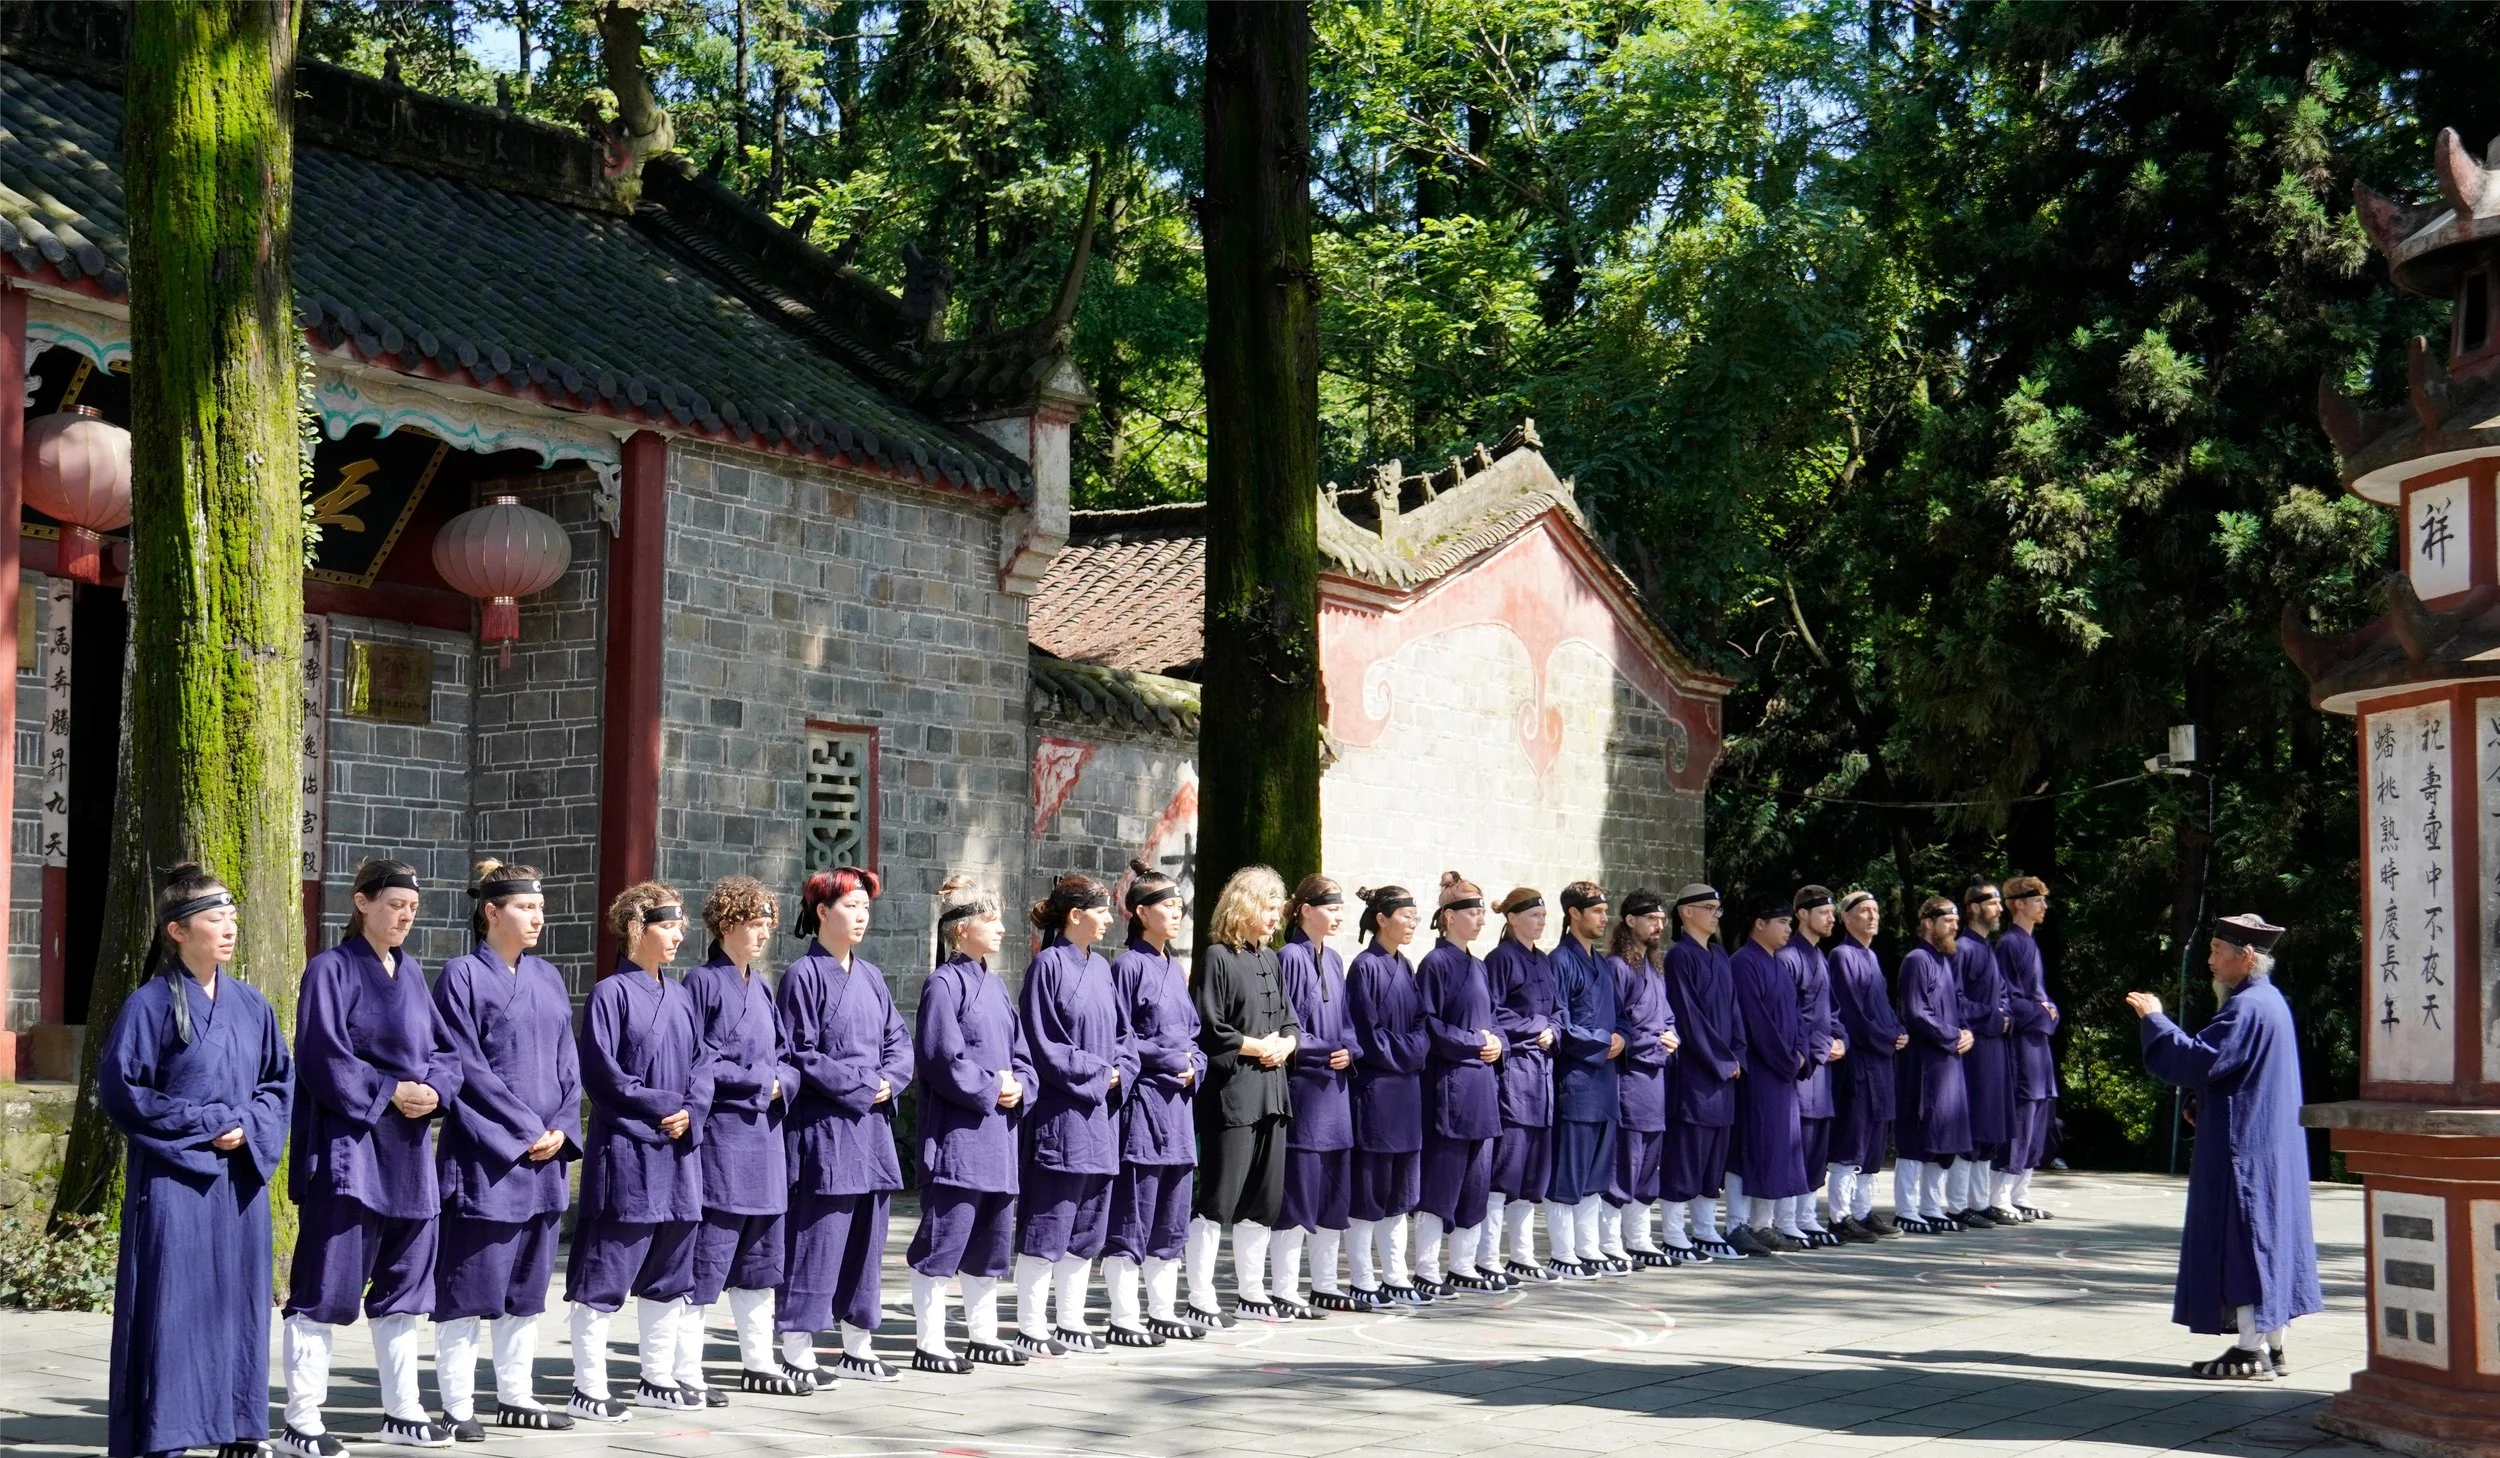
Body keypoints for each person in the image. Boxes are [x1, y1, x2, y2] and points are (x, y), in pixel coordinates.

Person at [101, 864, 293, 1458]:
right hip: (175, 1179)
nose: (230, 929)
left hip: (240, 1182)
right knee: (172, 1303)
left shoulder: (252, 1004)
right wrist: (209, 1125)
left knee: (239, 1304)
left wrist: (250, 1126)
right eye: (215, 919)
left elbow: (278, 1083)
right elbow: (124, 1092)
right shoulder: (150, 1003)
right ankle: (166, 1431)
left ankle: (239, 1426)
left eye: (232, 917)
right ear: (177, 932)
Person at [283, 860, 464, 1453]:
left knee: (406, 1285)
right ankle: (302, 1418)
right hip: (350, 1152)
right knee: (328, 1285)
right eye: (394, 904)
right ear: (361, 903)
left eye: (412, 907)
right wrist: (390, 1090)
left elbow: (445, 1050)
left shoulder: (412, 974)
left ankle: (401, 1408)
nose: (405, 915)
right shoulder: (329, 970)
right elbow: (320, 1056)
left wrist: (436, 1089)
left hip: (409, 1153)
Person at [2126, 914, 2323, 1380]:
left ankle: (2249, 1348)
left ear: (2247, 956)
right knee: (2270, 1238)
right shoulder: (2268, 1002)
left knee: (2245, 1239)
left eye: (2217, 950)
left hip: (2245, 1150)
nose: (2210, 960)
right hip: (2267, 1143)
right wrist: (2205, 1102)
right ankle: (2273, 1345)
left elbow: (2198, 1058)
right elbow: (2237, 1073)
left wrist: (2155, 1019)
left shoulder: (2247, 1007)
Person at [431, 861, 580, 1432]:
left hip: (545, 1156)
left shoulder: (547, 977)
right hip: (487, 1159)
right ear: (491, 912)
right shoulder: (461, 975)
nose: (538, 917)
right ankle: (457, 1404)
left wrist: (563, 1126)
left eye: (540, 907)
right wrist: (524, 1131)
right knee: (471, 1283)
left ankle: (516, 1394)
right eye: (525, 907)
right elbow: (464, 1065)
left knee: (527, 1287)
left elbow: (570, 1059)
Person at [567, 882, 713, 1417]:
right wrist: (663, 1106)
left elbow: (704, 1065)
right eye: (667, 926)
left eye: (679, 927)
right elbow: (605, 1075)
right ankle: (588, 1386)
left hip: (679, 1151)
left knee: (672, 1269)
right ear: (635, 928)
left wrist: (691, 1109)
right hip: (629, 1149)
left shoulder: (681, 996)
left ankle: (657, 1376)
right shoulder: (610, 994)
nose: (678, 936)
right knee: (607, 1270)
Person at [776, 866, 913, 1385]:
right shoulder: (802, 976)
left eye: (864, 907)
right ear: (821, 913)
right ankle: (797, 1344)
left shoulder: (873, 976)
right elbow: (799, 1054)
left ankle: (858, 1343)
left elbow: (900, 1042)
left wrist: (889, 1081)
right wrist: (861, 1084)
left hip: (871, 1128)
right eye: (850, 906)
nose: (861, 916)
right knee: (818, 1238)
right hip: (827, 1127)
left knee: (867, 1240)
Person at [907, 877, 1036, 1373]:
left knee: (990, 1242)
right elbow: (941, 1058)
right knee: (945, 1239)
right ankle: (931, 1340)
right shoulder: (943, 984)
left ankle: (982, 1334)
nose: (1002, 928)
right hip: (959, 1138)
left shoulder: (997, 986)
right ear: (960, 930)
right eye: (991, 919)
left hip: (1000, 1137)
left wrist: (1022, 1085)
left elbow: (1023, 1055)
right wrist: (990, 1087)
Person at [681, 878, 803, 1399]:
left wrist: (784, 1082)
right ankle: (684, 1366)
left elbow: (786, 1055)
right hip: (725, 1140)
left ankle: (758, 1360)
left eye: (766, 925)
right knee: (709, 1256)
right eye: (753, 924)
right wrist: (760, 1082)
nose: (761, 935)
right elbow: (699, 1062)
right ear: (725, 925)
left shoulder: (763, 986)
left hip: (766, 1138)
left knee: (762, 1258)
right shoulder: (701, 983)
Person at [1015, 874, 1136, 1353]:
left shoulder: (1103, 970)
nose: (1109, 919)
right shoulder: (1046, 967)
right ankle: (1031, 1324)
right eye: (1102, 910)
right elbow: (1043, 1044)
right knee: (1050, 1218)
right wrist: (1096, 1071)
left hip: (1102, 1117)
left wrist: (1120, 1071)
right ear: (1075, 915)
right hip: (1062, 1116)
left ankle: (1071, 1319)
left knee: (1088, 1223)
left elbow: (1127, 1038)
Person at [1189, 865, 1302, 1322]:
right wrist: (1256, 1046)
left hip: (1273, 1094)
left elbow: (1291, 1019)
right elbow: (1209, 1026)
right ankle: (1200, 1297)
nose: (1277, 918)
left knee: (1264, 1197)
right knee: (1219, 1198)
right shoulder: (1217, 956)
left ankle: (1251, 1291)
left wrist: (1287, 1043)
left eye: (1279, 910)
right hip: (1233, 1095)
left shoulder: (1271, 959)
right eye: (1271, 908)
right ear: (1247, 907)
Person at [1102, 861, 1207, 1344]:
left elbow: (1195, 1035)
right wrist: (1168, 1060)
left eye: (1181, 906)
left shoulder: (1175, 967)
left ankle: (1162, 1309)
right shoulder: (1127, 967)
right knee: (1136, 1209)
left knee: (1172, 1212)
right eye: (1168, 905)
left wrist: (1195, 1064)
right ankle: (1125, 1315)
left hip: (1180, 1108)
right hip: (1145, 1104)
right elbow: (1121, 1039)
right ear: (1141, 912)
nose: (1178, 913)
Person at [1414, 873, 1506, 1294]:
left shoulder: (1480, 966)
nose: (1480, 919)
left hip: (1483, 1090)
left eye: (1482, 911)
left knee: (1476, 1181)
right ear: (1448, 917)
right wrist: (1474, 1043)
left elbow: (1495, 1021)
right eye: (1472, 911)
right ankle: (1427, 1267)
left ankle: (1464, 1263)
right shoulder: (1435, 964)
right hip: (1451, 1088)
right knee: (1442, 1180)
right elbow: (1430, 1025)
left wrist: (1498, 1044)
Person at [1275, 875, 1358, 1312]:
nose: (1339, 915)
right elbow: (1287, 1026)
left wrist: (1351, 1048)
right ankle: (1285, 1287)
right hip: (1306, 1091)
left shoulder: (1337, 959)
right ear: (1305, 910)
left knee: (1332, 1193)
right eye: (1331, 907)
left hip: (1337, 1093)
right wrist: (1325, 1051)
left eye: (1341, 907)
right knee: (1298, 1194)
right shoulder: (1289, 956)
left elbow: (1346, 1020)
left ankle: (1325, 1282)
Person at [1345, 883, 1429, 1305]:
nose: (1413, 923)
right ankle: (1363, 1278)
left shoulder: (1407, 966)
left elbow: (1420, 1025)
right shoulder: (1364, 967)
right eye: (1406, 916)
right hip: (1377, 1091)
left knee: (1400, 1191)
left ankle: (1396, 1275)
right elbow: (1366, 1033)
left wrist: (1413, 1052)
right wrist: (1406, 1054)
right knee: (1371, 1189)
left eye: (1416, 916)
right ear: (1382, 919)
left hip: (1407, 1091)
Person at [1661, 885, 1742, 1262]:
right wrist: (1721, 1060)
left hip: (1726, 1074)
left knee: (1714, 1157)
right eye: (1708, 908)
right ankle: (1675, 1233)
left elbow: (1734, 1009)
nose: (1715, 915)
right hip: (1696, 1073)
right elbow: (1689, 1018)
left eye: (1718, 909)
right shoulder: (1680, 957)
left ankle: (1707, 1229)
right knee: (1688, 1154)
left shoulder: (1720, 954)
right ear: (1686, 913)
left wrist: (1738, 1054)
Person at [1545, 882, 1621, 1279]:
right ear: (1574, 914)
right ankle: (1562, 1250)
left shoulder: (1603, 962)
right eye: (1596, 911)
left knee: (1596, 1173)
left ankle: (1588, 1246)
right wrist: (1601, 1041)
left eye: (1605, 911)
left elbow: (1618, 1015)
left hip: (1605, 1081)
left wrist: (1621, 1036)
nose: (1604, 918)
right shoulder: (1560, 960)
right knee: (1569, 1171)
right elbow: (1561, 1021)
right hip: (1575, 1080)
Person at [1483, 888, 1559, 1282]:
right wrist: (1537, 1028)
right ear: (1511, 918)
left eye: (1544, 915)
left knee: (1533, 1176)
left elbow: (1558, 1013)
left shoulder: (1543, 961)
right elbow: (1493, 1014)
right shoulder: (1499, 960)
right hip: (1515, 1077)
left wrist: (1554, 1032)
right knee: (1504, 1172)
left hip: (1543, 1076)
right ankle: (1488, 1257)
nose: (1541, 921)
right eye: (1533, 915)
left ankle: (1523, 1255)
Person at [1726, 896, 1810, 1257]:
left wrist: (1802, 1053)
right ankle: (1737, 1224)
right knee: (1751, 1147)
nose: (1788, 928)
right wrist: (1785, 1058)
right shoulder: (1744, 963)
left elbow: (1797, 1015)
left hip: (1783, 1073)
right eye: (1782, 922)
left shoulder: (1780, 965)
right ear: (1759, 924)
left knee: (1777, 1149)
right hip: (1760, 1072)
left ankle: (1764, 1224)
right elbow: (1755, 1021)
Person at [1600, 889, 1678, 1269]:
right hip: (1629, 1078)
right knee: (1625, 1161)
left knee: (1649, 1161)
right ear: (1631, 921)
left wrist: (1671, 1035)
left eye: (1662, 920)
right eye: (1651, 919)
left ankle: (1640, 1237)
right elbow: (1617, 1026)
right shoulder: (1617, 967)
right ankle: (1612, 1239)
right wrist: (1652, 1041)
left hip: (1655, 1080)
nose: (1659, 925)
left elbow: (1667, 1017)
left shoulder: (1653, 966)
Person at [1825, 890, 1904, 1241]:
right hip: (1859, 1061)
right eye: (1863, 911)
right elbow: (1853, 1014)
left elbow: (1883, 1007)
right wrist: (1887, 1038)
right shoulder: (1842, 956)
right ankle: (1840, 1216)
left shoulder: (1871, 957)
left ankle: (1863, 1211)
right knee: (1852, 1140)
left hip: (1881, 1062)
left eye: (1875, 910)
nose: (1872, 917)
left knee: (1874, 1141)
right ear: (1846, 918)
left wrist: (1899, 1030)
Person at [1893, 896, 1974, 1234]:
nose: (1955, 926)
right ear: (1928, 921)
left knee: (1943, 1137)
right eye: (1948, 919)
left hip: (1947, 1062)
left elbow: (1954, 1005)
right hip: (1924, 1064)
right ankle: (1907, 1209)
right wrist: (1952, 1034)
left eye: (1957, 920)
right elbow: (1915, 1012)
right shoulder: (1917, 960)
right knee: (1917, 1136)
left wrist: (1967, 1032)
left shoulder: (1944, 960)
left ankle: (1929, 1205)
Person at [1778, 886, 1846, 1247]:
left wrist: (1840, 1038)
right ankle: (1786, 1220)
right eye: (1823, 912)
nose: (1831, 918)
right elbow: (1790, 1017)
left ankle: (1806, 1217)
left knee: (1817, 1144)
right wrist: (1820, 1045)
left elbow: (1831, 1012)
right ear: (1802, 914)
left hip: (1824, 1066)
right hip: (1803, 1065)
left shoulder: (1821, 958)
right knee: (1798, 1143)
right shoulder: (1789, 957)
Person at [1948, 882, 2015, 1226]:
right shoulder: (1962, 948)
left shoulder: (1987, 948)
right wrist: (1993, 1018)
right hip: (1975, 1051)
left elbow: (2003, 994)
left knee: (1990, 1126)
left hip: (1995, 1050)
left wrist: (2005, 1015)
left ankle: (1979, 1199)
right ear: (1974, 907)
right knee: (1972, 1128)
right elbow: (1955, 1000)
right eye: (1993, 902)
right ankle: (1959, 1204)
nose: (2000, 909)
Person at [1996, 875, 2060, 1221]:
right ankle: (2001, 1194)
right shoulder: (2009, 944)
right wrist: (2040, 1012)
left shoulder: (2031, 943)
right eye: (2037, 900)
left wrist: (2048, 1009)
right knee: (2021, 1115)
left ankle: (2021, 1191)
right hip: (2022, 1044)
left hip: (2039, 1045)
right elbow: (2008, 997)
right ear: (2019, 903)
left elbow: (2040, 995)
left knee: (2039, 1115)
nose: (2043, 906)